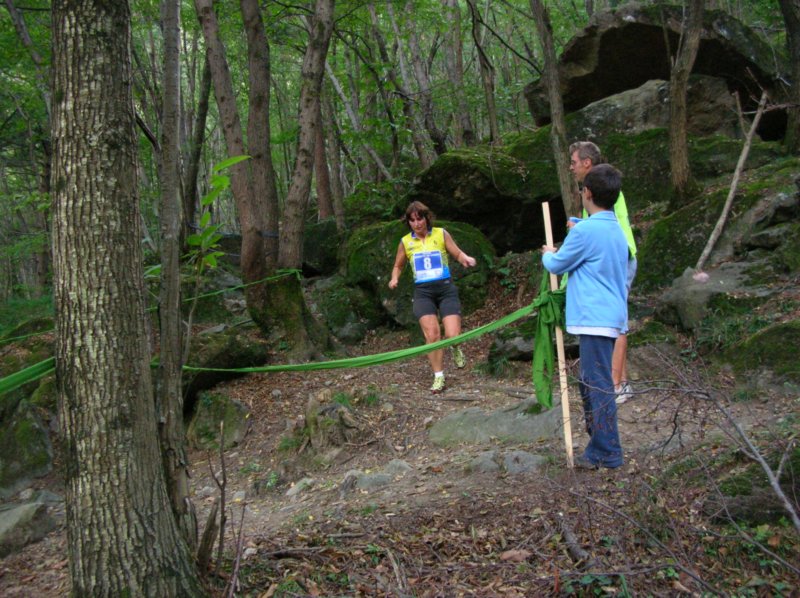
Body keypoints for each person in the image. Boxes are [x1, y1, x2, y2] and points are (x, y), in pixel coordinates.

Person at [542, 164, 628, 469]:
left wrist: (547, 253)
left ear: (587, 192)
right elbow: (591, 241)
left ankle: (607, 451)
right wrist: (578, 228)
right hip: (607, 315)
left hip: (595, 317)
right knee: (589, 380)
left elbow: (557, 264)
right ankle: (599, 442)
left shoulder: (587, 232)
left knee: (598, 384)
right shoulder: (613, 228)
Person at [569, 141, 637, 404]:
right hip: (613, 256)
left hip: (619, 257)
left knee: (615, 322)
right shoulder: (596, 189)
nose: (571, 167)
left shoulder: (605, 189)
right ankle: (620, 381)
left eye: (574, 162)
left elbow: (609, 226)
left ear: (587, 163)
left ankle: (615, 386)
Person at [388, 201, 477, 393]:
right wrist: (394, 278)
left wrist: (466, 259)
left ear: (426, 218)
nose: (417, 224)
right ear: (408, 222)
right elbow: (398, 265)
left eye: (419, 219)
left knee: (452, 335)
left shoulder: (440, 233)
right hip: (423, 293)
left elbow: (457, 253)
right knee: (432, 335)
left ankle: (455, 347)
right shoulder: (405, 242)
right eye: (412, 220)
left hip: (445, 289)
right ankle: (438, 376)